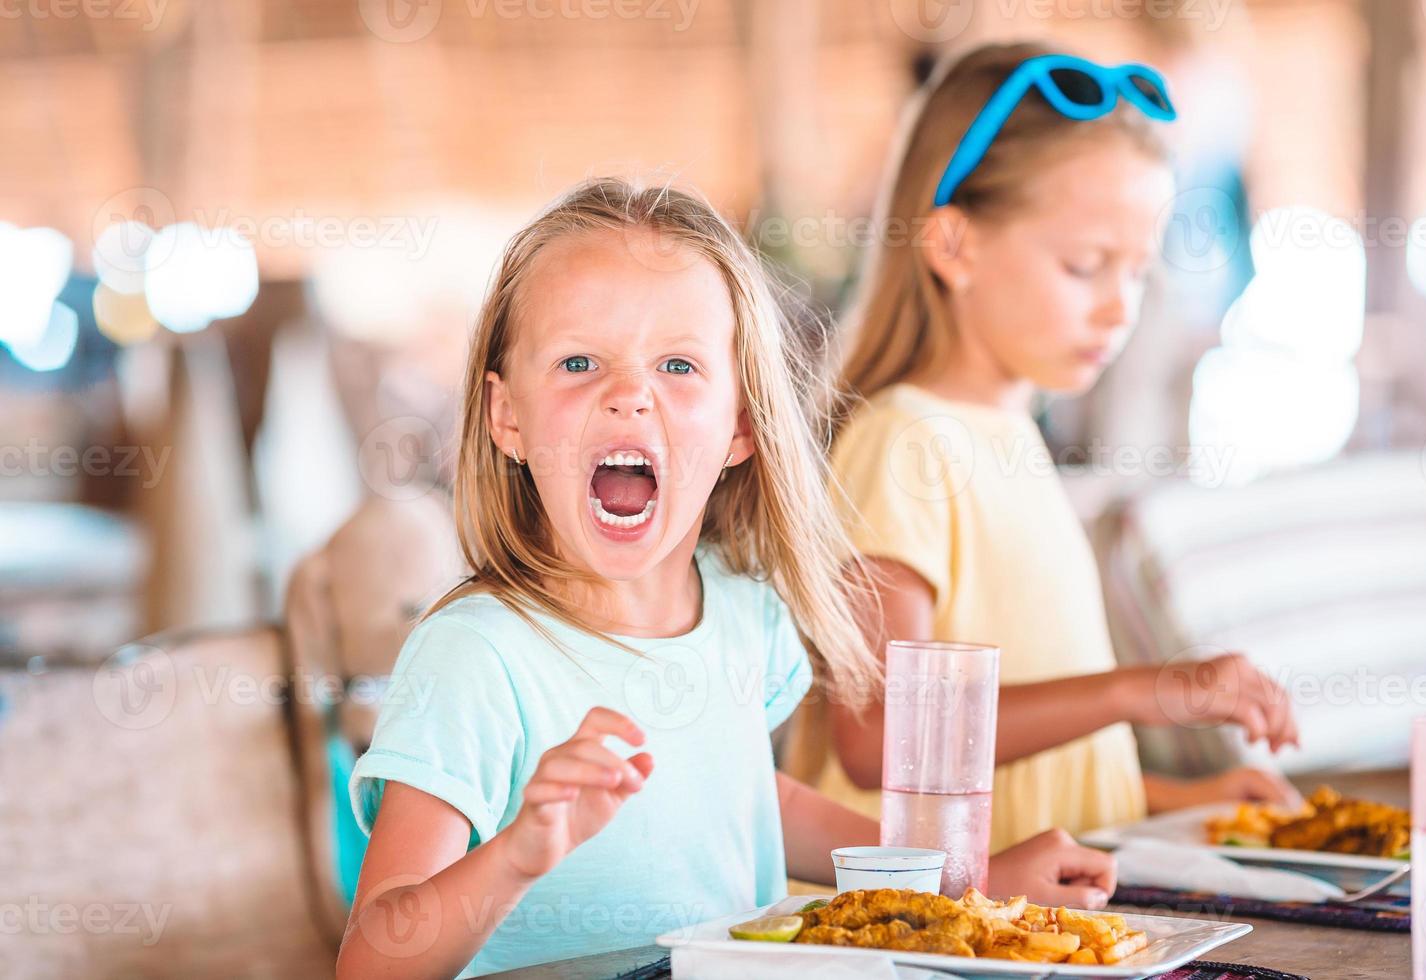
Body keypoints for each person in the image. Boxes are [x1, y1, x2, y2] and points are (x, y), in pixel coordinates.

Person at [337, 178, 1118, 978]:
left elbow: (751, 804)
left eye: (677, 364)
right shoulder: (477, 657)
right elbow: (371, 962)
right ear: (508, 418)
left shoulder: (746, 613)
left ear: (741, 424)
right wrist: (519, 852)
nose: (630, 396)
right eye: (579, 361)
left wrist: (958, 885)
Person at [811, 42, 1300, 854]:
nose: (1120, 310)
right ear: (954, 247)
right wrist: (1141, 692)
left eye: (1138, 273)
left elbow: (1017, 763)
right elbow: (880, 739)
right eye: (1085, 266)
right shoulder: (905, 443)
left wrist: (1179, 797)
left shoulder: (1014, 445)